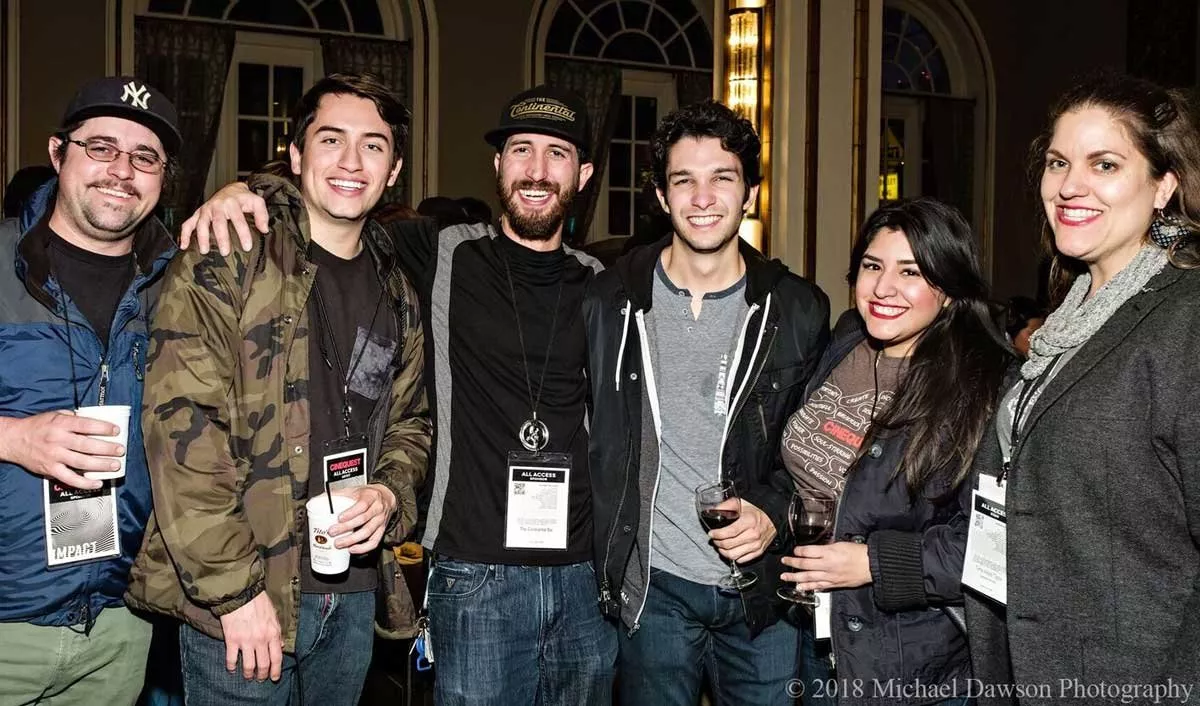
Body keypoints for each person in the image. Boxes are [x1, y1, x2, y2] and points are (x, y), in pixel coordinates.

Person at [179, 84, 618, 705]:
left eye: (558, 154)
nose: (538, 171)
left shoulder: (607, 286)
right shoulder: (437, 250)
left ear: (585, 173)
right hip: (474, 576)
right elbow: (332, 197)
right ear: (497, 165)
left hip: (581, 576)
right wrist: (246, 190)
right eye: (521, 150)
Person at [125, 73, 431, 705]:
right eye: (331, 140)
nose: (351, 162)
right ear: (295, 156)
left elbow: (412, 420)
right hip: (246, 597)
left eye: (373, 146)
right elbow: (183, 427)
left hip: (350, 597)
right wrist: (232, 595)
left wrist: (387, 492)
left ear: (394, 169)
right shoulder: (229, 251)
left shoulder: (398, 285)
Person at [585, 99, 830, 705]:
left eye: (722, 178)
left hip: (759, 596)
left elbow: (815, 448)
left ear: (749, 193)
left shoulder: (798, 309)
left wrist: (773, 510)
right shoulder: (608, 299)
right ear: (662, 198)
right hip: (654, 588)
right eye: (683, 181)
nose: (703, 197)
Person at [965, 72, 1200, 703]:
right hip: (1029, 668)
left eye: (1105, 164)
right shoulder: (1070, 317)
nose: (1071, 185)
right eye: (1058, 162)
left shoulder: (1186, 321)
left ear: (1164, 185)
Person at [778, 198, 1012, 704]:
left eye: (910, 272)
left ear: (948, 290)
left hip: (911, 667)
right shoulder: (846, 341)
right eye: (872, 266)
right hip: (817, 640)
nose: (883, 289)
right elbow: (812, 470)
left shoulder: (986, 389)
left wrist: (872, 565)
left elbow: (996, 546)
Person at [0, 76, 182, 705]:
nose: (121, 171)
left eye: (144, 157)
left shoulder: (181, 285)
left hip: (121, 621)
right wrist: (13, 436)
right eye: (100, 148)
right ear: (58, 153)